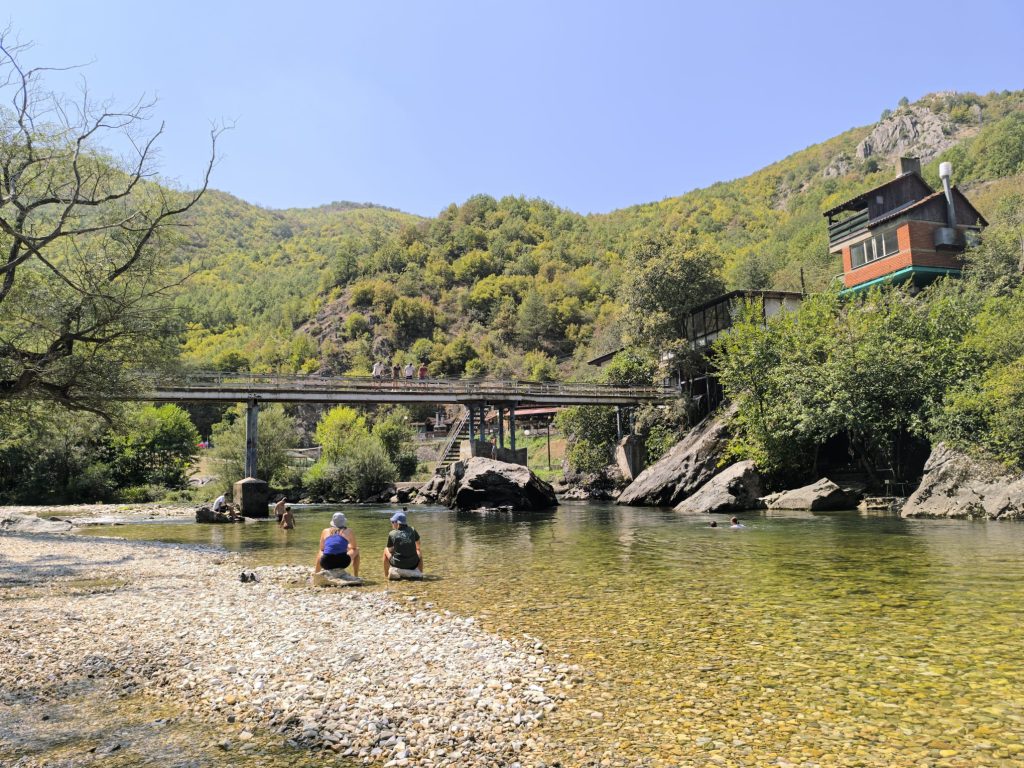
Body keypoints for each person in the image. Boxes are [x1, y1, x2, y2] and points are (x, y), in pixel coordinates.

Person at [382, 510, 422, 578]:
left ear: (397, 523)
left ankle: (386, 575)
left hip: (398, 564)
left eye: (392, 522)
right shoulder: (412, 530)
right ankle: (420, 573)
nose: (392, 524)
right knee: (419, 551)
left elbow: (390, 549)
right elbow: (418, 544)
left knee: (385, 550)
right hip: (413, 564)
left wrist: (399, 547)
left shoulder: (392, 533)